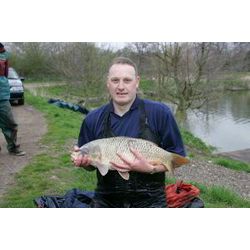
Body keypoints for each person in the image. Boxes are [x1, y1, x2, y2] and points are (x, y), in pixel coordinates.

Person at [71, 57, 186, 208]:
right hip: (106, 199)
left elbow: (177, 156)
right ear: (108, 82)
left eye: (127, 80)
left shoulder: (160, 112)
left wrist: (151, 169)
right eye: (115, 80)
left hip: (151, 199)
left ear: (137, 81)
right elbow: (91, 166)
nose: (120, 86)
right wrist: (85, 163)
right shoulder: (92, 119)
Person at [0, 43, 26, 156]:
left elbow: (4, 75)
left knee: (10, 124)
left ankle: (13, 147)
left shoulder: (4, 54)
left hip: (2, 96)